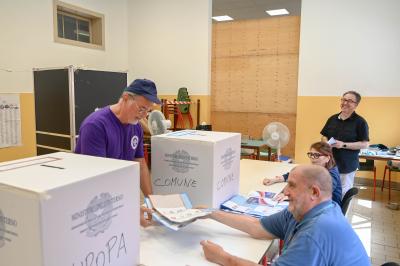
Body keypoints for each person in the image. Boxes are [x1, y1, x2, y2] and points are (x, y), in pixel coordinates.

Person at [200, 165, 369, 266]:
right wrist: (211, 213)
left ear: (314, 192)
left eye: (292, 186)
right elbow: (256, 226)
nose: (285, 192)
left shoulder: (315, 230)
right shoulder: (304, 211)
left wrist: (222, 257)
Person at [321, 91, 369, 197]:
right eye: (343, 99)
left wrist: (343, 144)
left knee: (343, 193)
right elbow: (324, 135)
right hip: (329, 163)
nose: (345, 103)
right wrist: (324, 142)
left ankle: (341, 213)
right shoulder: (332, 118)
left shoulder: (360, 122)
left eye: (350, 101)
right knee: (327, 191)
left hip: (346, 165)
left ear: (356, 105)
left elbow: (365, 144)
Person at [263, 141, 342, 205]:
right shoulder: (318, 167)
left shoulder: (332, 174)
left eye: (317, 155)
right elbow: (298, 174)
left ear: (327, 158)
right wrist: (276, 180)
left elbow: (319, 193)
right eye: (311, 154)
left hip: (330, 207)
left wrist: (292, 195)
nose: (312, 158)